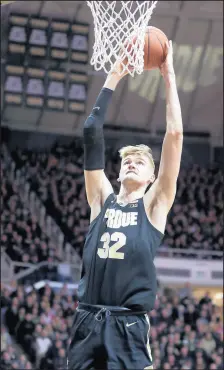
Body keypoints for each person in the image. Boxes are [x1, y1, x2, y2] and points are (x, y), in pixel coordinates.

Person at [67, 41, 183, 369]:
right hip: (87, 319)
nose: (131, 163)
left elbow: (174, 135)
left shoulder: (154, 205)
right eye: (127, 160)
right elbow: (91, 129)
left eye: (140, 161)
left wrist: (168, 74)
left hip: (128, 325)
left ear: (151, 177)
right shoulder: (100, 198)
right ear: (118, 172)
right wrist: (115, 74)